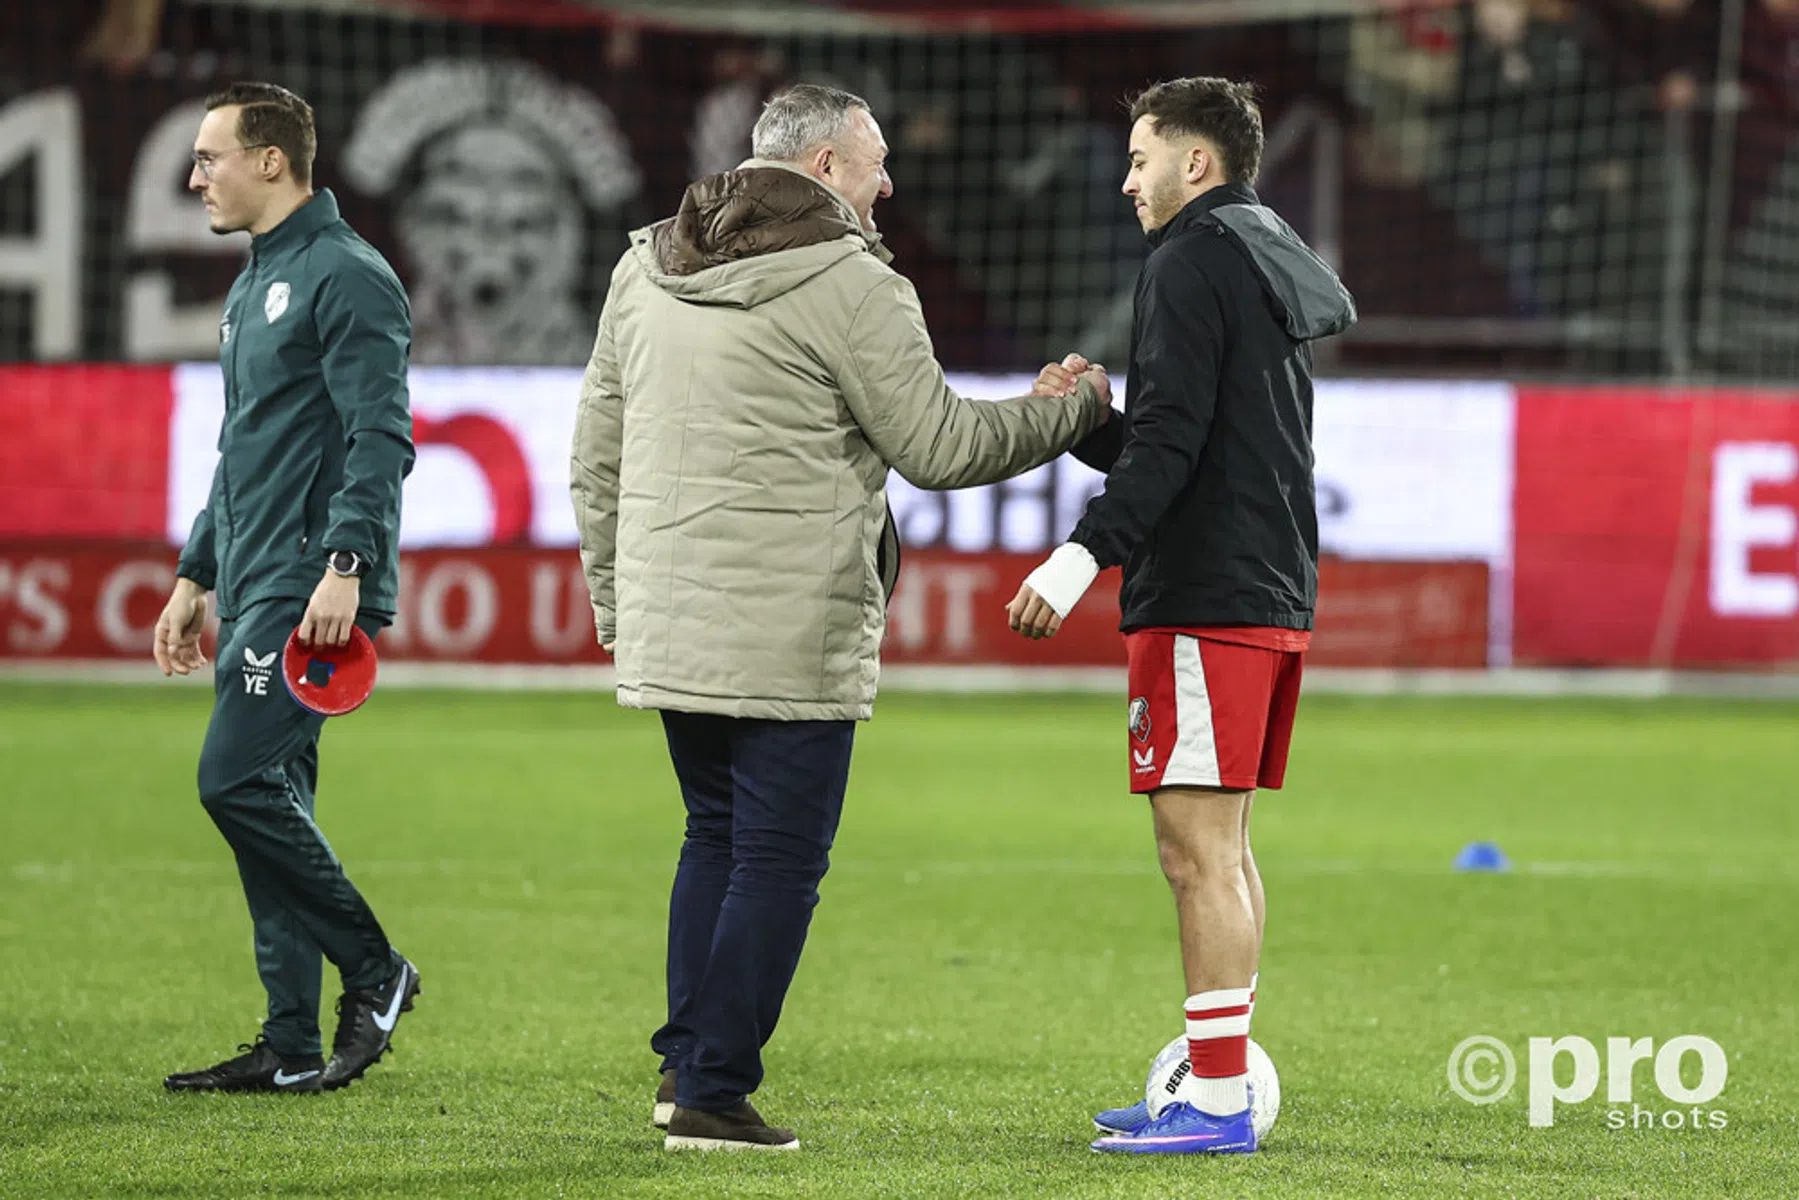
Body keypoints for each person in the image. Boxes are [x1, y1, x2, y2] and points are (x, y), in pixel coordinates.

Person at [570, 83, 1110, 1152]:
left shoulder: (644, 266)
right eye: (873, 163)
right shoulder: (850, 282)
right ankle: (712, 1091)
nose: (887, 184)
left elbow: (595, 454)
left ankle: (688, 1070)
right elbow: (942, 447)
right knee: (775, 857)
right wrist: (1073, 411)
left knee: (712, 837)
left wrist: (615, 603)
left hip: (672, 618)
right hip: (789, 626)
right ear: (823, 168)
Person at [1008, 76, 1356, 1154]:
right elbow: (1192, 440)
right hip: (1263, 585)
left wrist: (1075, 561)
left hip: (1203, 594)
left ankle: (1212, 1104)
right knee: (1226, 846)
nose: (1125, 181)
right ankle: (1209, 1080)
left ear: (1192, 164)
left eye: (1138, 157)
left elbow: (1168, 459)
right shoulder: (1260, 251)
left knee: (1191, 850)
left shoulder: (1187, 261)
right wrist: (1093, 424)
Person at [154, 82, 420, 1095]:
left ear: (272, 161)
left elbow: (380, 436)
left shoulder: (347, 277)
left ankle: (376, 970)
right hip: (254, 574)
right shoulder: (258, 279)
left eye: (209, 156)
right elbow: (241, 449)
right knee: (273, 799)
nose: (195, 177)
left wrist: (346, 566)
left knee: (233, 782)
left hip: (308, 584)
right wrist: (196, 571)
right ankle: (290, 1044)